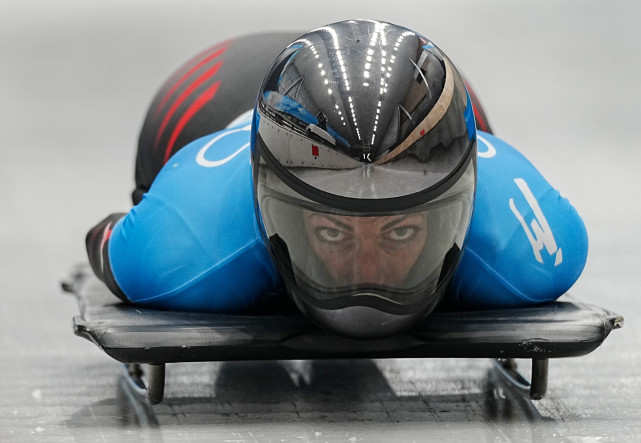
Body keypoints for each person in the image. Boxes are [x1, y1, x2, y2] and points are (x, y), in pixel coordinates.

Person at [86, 20, 588, 339]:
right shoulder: (181, 239)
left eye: (400, 231)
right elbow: (111, 236)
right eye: (332, 231)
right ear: (266, 205)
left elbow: (103, 237)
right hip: (211, 93)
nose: (364, 275)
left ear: (460, 207)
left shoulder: (527, 245)